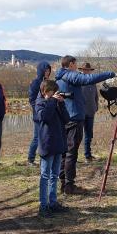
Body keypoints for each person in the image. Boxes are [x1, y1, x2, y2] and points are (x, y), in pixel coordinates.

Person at [54, 55, 117, 194]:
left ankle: (63, 183)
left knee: (64, 152)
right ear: (72, 64)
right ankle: (69, 185)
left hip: (66, 118)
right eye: (76, 64)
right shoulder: (70, 76)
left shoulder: (60, 76)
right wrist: (111, 74)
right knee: (71, 153)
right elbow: (89, 79)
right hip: (74, 119)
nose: (76, 66)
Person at [35, 80, 69, 217]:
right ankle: (43, 206)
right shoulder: (40, 103)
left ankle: (53, 203)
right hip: (47, 144)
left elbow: (66, 119)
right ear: (45, 92)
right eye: (52, 91)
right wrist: (53, 102)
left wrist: (61, 104)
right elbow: (45, 117)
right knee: (45, 175)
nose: (55, 93)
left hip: (58, 143)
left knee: (54, 175)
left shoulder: (55, 103)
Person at [27, 61, 51, 166]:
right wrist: (38, 109)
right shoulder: (35, 83)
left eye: (49, 71)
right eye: (45, 70)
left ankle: (44, 158)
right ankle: (30, 159)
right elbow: (32, 99)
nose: (47, 72)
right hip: (38, 115)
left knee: (46, 137)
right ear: (41, 71)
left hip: (48, 114)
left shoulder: (49, 83)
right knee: (37, 138)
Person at [79, 62, 100, 162]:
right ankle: (72, 157)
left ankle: (88, 156)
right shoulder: (78, 81)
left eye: (88, 70)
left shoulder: (92, 81)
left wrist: (96, 106)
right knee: (77, 136)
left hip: (91, 112)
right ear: (82, 70)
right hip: (80, 113)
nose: (87, 71)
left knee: (89, 135)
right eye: (85, 70)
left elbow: (96, 95)